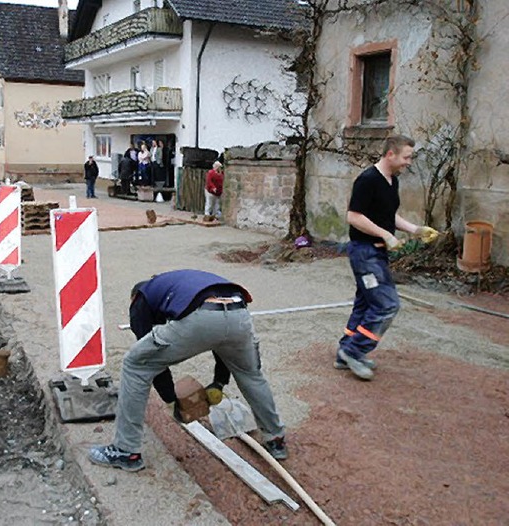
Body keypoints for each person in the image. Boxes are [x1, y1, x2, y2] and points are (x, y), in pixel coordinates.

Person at [89, 269, 287, 471]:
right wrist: (219, 382)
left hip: (202, 315)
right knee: (251, 375)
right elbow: (221, 337)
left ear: (134, 297)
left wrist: (172, 400)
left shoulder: (141, 299)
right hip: (239, 313)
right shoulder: (178, 286)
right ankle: (276, 438)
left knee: (135, 364)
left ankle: (125, 450)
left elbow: (150, 359)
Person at [336, 135, 439, 380]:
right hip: (365, 253)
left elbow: (387, 215)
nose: (409, 162)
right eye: (406, 157)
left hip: (377, 253)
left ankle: (344, 354)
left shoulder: (392, 181)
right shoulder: (367, 180)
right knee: (387, 304)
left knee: (366, 303)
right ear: (390, 154)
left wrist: (415, 229)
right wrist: (386, 236)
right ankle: (354, 351)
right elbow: (354, 217)